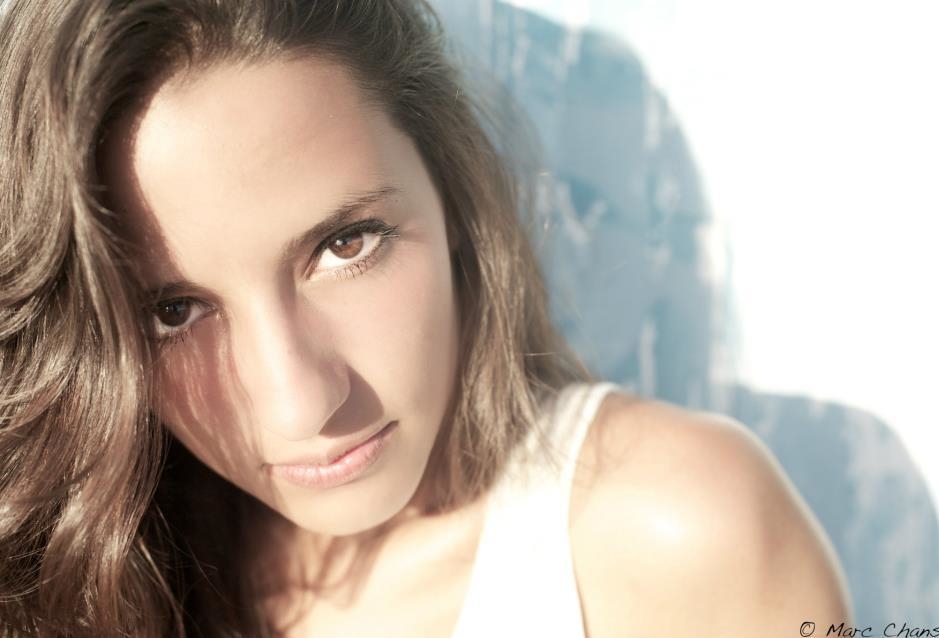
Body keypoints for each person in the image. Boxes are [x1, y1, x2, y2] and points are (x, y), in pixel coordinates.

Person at [0, 0, 852, 636]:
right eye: (174, 311)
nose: (301, 407)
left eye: (346, 244)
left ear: (452, 197)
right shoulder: (76, 584)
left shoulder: (679, 530)